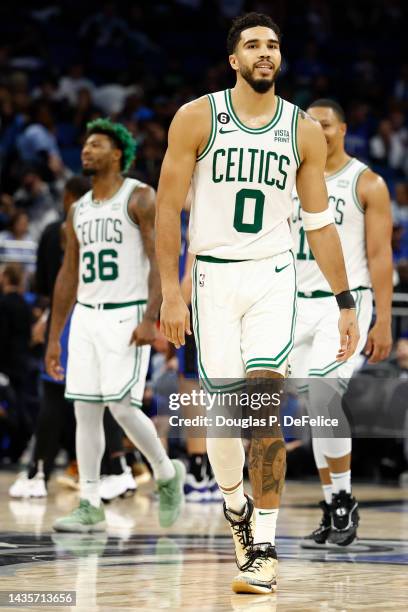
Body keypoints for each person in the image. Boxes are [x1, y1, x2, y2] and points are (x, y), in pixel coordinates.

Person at [155, 12, 359, 595]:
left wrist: (345, 300)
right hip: (212, 280)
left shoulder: (302, 130)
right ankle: (235, 506)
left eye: (273, 45)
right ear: (234, 60)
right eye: (253, 45)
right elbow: (169, 209)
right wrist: (172, 291)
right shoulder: (197, 118)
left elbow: (319, 223)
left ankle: (263, 548)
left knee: (262, 409)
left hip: (274, 277)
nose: (265, 53)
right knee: (223, 428)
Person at [46, 118, 185, 533]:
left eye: (96, 145)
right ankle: (90, 502)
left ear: (118, 153)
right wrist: (55, 336)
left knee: (123, 407)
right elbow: (67, 276)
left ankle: (165, 471)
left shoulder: (139, 196)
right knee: (85, 410)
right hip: (87, 315)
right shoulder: (78, 209)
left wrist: (151, 316)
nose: (86, 151)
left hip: (128, 313)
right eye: (85, 145)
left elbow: (162, 258)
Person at [290, 98, 393, 547]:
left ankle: (344, 497)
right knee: (315, 410)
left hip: (344, 305)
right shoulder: (291, 179)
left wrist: (384, 320)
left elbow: (379, 257)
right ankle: (334, 503)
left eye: (326, 125)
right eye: (311, 124)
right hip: (293, 306)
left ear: (344, 129)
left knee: (323, 398)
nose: (318, 130)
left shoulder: (366, 183)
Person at [9, 176, 90, 499]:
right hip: (99, 318)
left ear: (68, 197)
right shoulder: (104, 230)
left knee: (55, 397)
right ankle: (110, 469)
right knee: (97, 402)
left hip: (67, 319)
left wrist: (46, 320)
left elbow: (46, 288)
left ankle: (38, 472)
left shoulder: (55, 231)